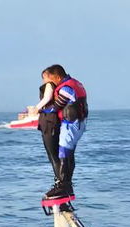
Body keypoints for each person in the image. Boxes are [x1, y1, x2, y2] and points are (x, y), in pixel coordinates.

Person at [42, 64, 88, 199]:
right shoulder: (75, 83)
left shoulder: (67, 87)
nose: (48, 82)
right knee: (68, 153)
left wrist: (41, 111)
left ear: (57, 76)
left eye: (49, 79)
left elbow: (57, 106)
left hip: (72, 124)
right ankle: (66, 185)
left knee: (64, 153)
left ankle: (62, 187)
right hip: (77, 123)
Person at [36, 70, 61, 186]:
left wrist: (36, 108)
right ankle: (59, 179)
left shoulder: (49, 85)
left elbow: (47, 98)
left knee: (52, 153)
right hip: (50, 120)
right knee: (53, 153)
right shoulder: (56, 86)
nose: (43, 79)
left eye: (44, 77)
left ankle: (60, 181)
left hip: (49, 120)